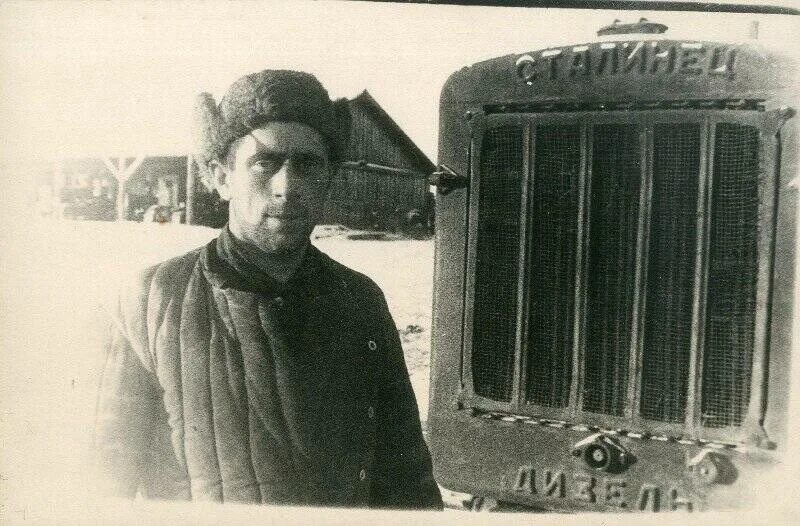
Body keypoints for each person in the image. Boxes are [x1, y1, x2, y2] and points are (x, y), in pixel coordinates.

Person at [94, 69, 442, 510]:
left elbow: (406, 478)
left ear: (329, 178)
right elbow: (101, 490)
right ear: (220, 177)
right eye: (265, 164)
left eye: (308, 165)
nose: (287, 187)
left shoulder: (359, 302)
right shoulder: (148, 302)